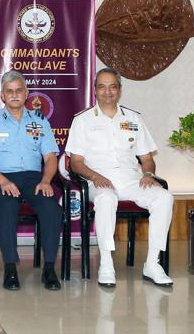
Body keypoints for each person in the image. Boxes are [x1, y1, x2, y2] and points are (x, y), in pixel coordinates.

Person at [65, 68, 173, 288]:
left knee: (164, 198)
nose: (107, 92)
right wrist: (95, 176)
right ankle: (106, 264)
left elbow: (147, 159)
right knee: (106, 198)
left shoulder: (134, 118)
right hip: (97, 180)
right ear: (95, 90)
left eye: (112, 86)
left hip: (131, 179)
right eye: (102, 87)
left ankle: (153, 264)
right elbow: (75, 162)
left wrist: (148, 174)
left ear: (120, 90)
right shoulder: (83, 120)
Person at [0, 70, 63, 291]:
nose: (14, 94)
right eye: (9, 91)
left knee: (51, 207)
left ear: (26, 93)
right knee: (8, 206)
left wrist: (46, 180)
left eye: (18, 90)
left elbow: (50, 157)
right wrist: (3, 181)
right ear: (3, 95)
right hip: (2, 178)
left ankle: (49, 268)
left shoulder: (40, 121)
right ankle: (10, 268)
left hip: (34, 179)